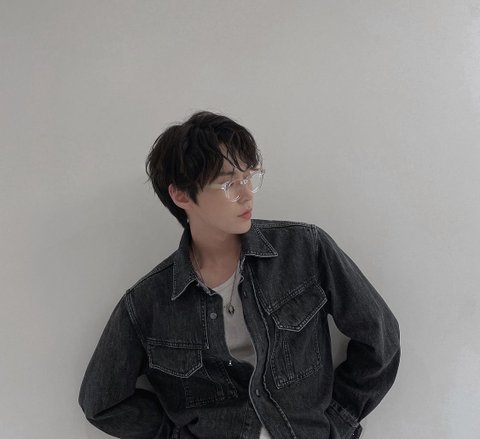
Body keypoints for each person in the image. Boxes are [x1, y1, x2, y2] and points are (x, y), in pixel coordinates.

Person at [78, 111, 401, 439]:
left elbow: (381, 338)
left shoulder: (304, 249)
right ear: (181, 195)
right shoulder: (149, 303)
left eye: (249, 176)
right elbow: (101, 402)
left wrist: (338, 421)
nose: (246, 194)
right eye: (228, 182)